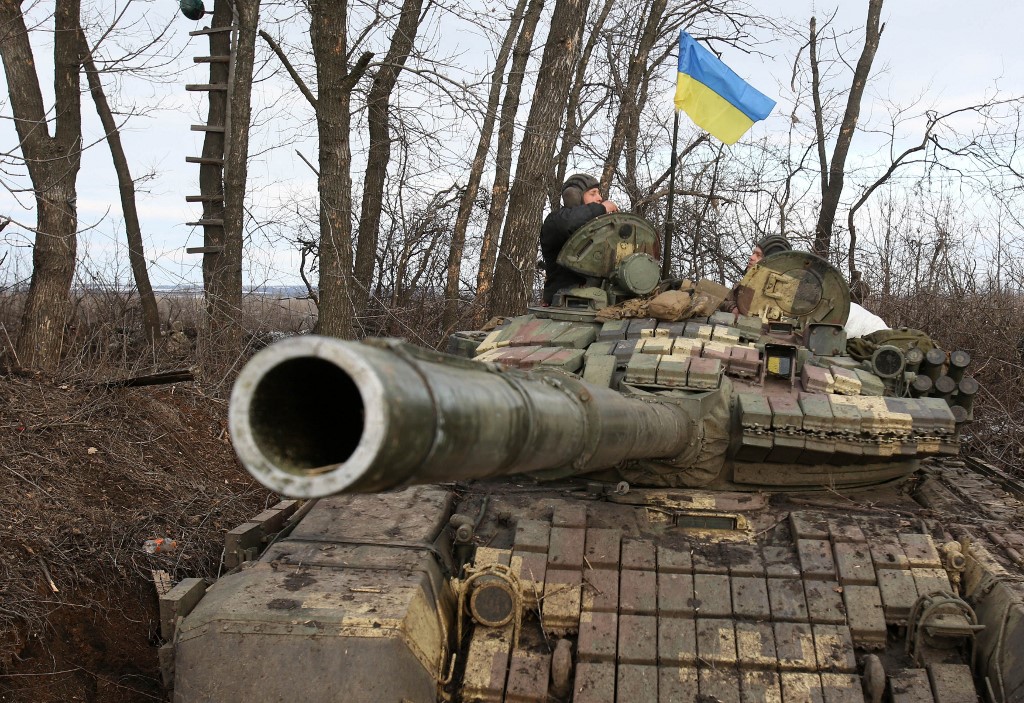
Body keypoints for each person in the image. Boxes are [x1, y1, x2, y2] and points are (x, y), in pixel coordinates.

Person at [540, 174, 618, 304]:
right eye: (593, 194)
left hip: (599, 303)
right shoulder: (555, 221)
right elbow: (569, 223)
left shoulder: (602, 230)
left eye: (598, 193)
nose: (599, 198)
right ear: (574, 196)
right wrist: (602, 208)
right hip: (563, 303)